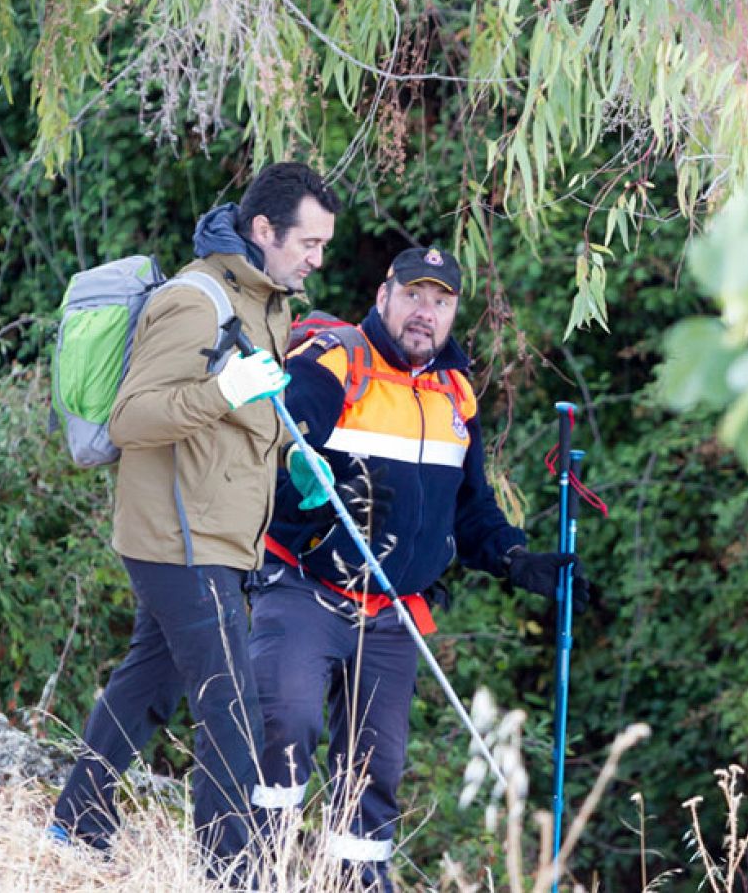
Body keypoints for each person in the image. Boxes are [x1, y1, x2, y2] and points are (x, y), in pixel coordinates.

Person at [246, 246, 589, 891]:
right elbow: (284, 429)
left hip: (393, 614)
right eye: (413, 295)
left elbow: (472, 508)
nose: (424, 313)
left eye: (441, 301)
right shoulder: (336, 361)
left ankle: (359, 882)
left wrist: (517, 560)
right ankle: (252, 872)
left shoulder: (456, 394)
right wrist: (304, 464)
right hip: (306, 591)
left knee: (377, 769)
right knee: (285, 723)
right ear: (384, 297)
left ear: (455, 313)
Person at [50, 162, 343, 875]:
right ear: (264, 230)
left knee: (150, 683)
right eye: (308, 242)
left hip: (216, 534)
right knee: (232, 709)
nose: (318, 258)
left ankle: (75, 819)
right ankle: (227, 870)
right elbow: (134, 417)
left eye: (324, 245)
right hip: (178, 539)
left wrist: (290, 457)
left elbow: (237, 420)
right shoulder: (196, 301)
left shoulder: (267, 303)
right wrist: (223, 390)